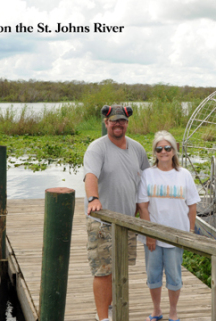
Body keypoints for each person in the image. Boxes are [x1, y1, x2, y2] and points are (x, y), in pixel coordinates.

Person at [84, 105, 150, 321]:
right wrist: (94, 198)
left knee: (121, 269)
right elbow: (91, 175)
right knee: (103, 271)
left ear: (127, 123)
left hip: (127, 222)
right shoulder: (97, 148)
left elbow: (147, 181)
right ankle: (102, 317)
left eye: (122, 120)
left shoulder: (138, 149)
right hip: (102, 221)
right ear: (106, 123)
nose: (118, 124)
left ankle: (111, 306)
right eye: (114, 121)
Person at [137, 130, 201, 321]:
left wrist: (190, 232)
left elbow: (192, 205)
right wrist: (149, 234)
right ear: (154, 152)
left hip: (176, 235)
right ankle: (156, 310)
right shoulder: (147, 174)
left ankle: (173, 311)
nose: (163, 152)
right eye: (159, 149)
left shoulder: (184, 174)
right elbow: (142, 205)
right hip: (153, 236)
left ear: (174, 150)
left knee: (174, 276)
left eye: (167, 148)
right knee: (153, 275)